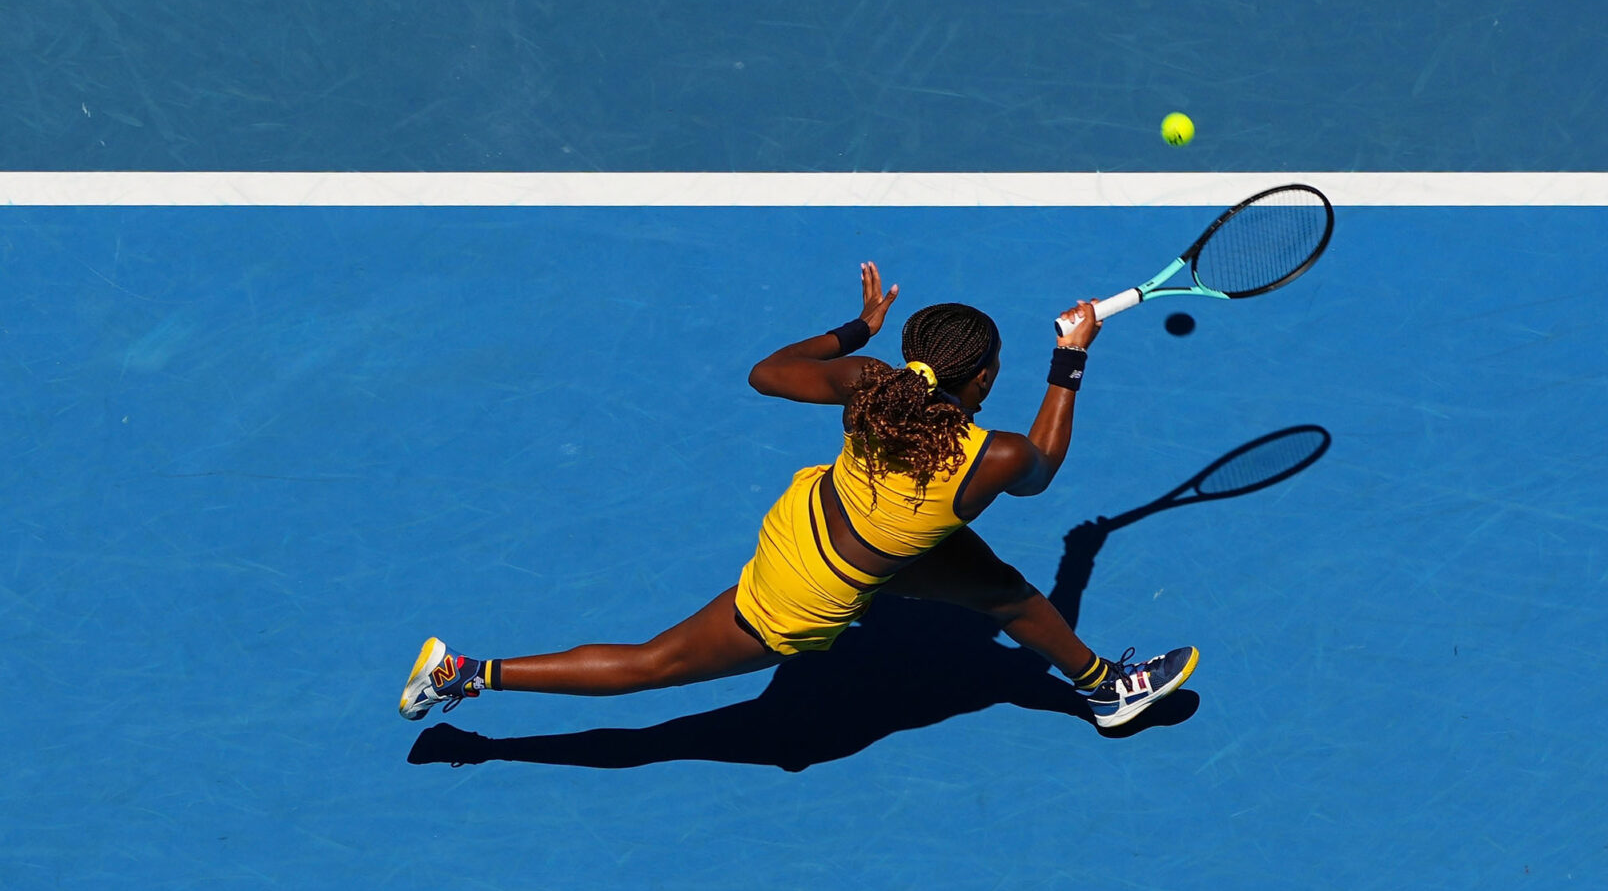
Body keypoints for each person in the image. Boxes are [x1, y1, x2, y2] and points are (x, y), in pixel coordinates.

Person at [400, 263, 1196, 730]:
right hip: (806, 588)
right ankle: (467, 675)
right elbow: (1046, 465)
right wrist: (1070, 354)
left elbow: (766, 372)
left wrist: (858, 329)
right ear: (984, 379)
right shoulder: (990, 456)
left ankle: (1104, 690)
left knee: (1003, 593)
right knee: (656, 663)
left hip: (820, 521)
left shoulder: (869, 382)